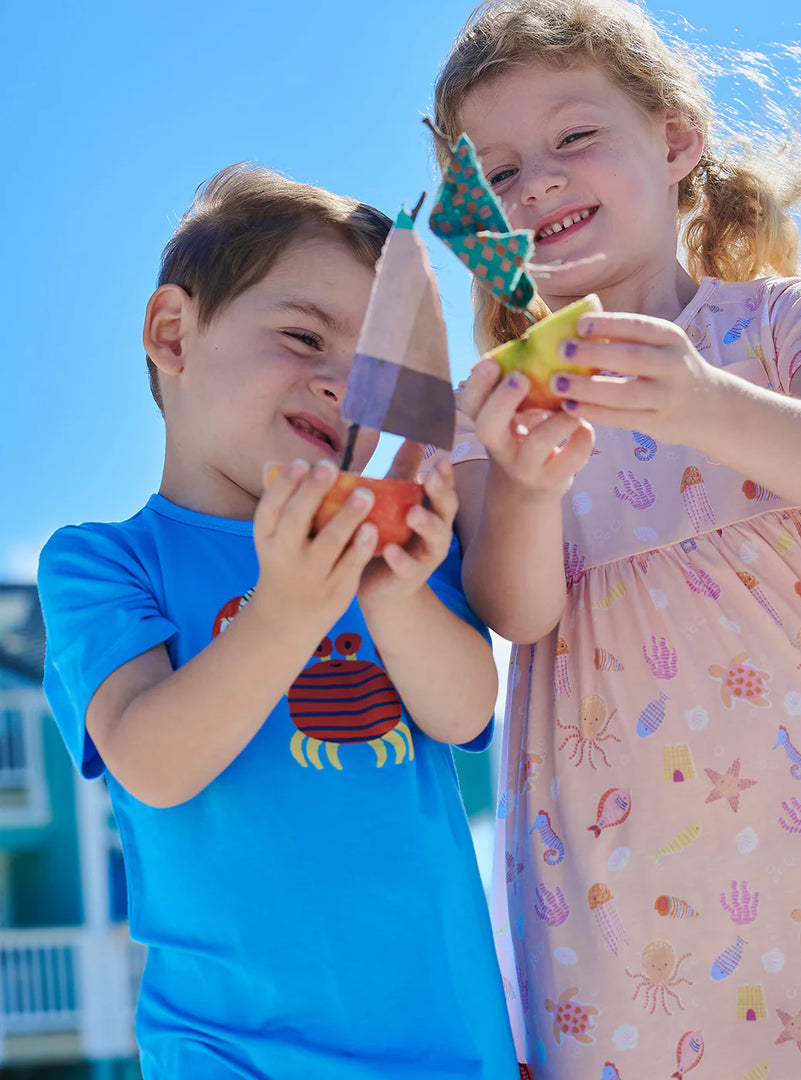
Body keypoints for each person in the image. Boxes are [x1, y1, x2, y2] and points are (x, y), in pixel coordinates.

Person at [428, 1, 801, 1076]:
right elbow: (517, 615)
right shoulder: (497, 409)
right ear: (481, 219)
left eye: (573, 138)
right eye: (500, 172)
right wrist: (520, 486)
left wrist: (700, 399)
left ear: (673, 140)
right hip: (617, 885)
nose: (539, 183)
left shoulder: (783, 323)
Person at [37, 163, 518, 1080]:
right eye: (303, 337)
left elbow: (463, 715)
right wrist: (286, 612)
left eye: (375, 372)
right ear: (173, 333)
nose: (343, 388)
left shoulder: (392, 543)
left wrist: (390, 595)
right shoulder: (102, 561)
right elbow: (152, 762)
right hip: (231, 1052)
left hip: (447, 1046)